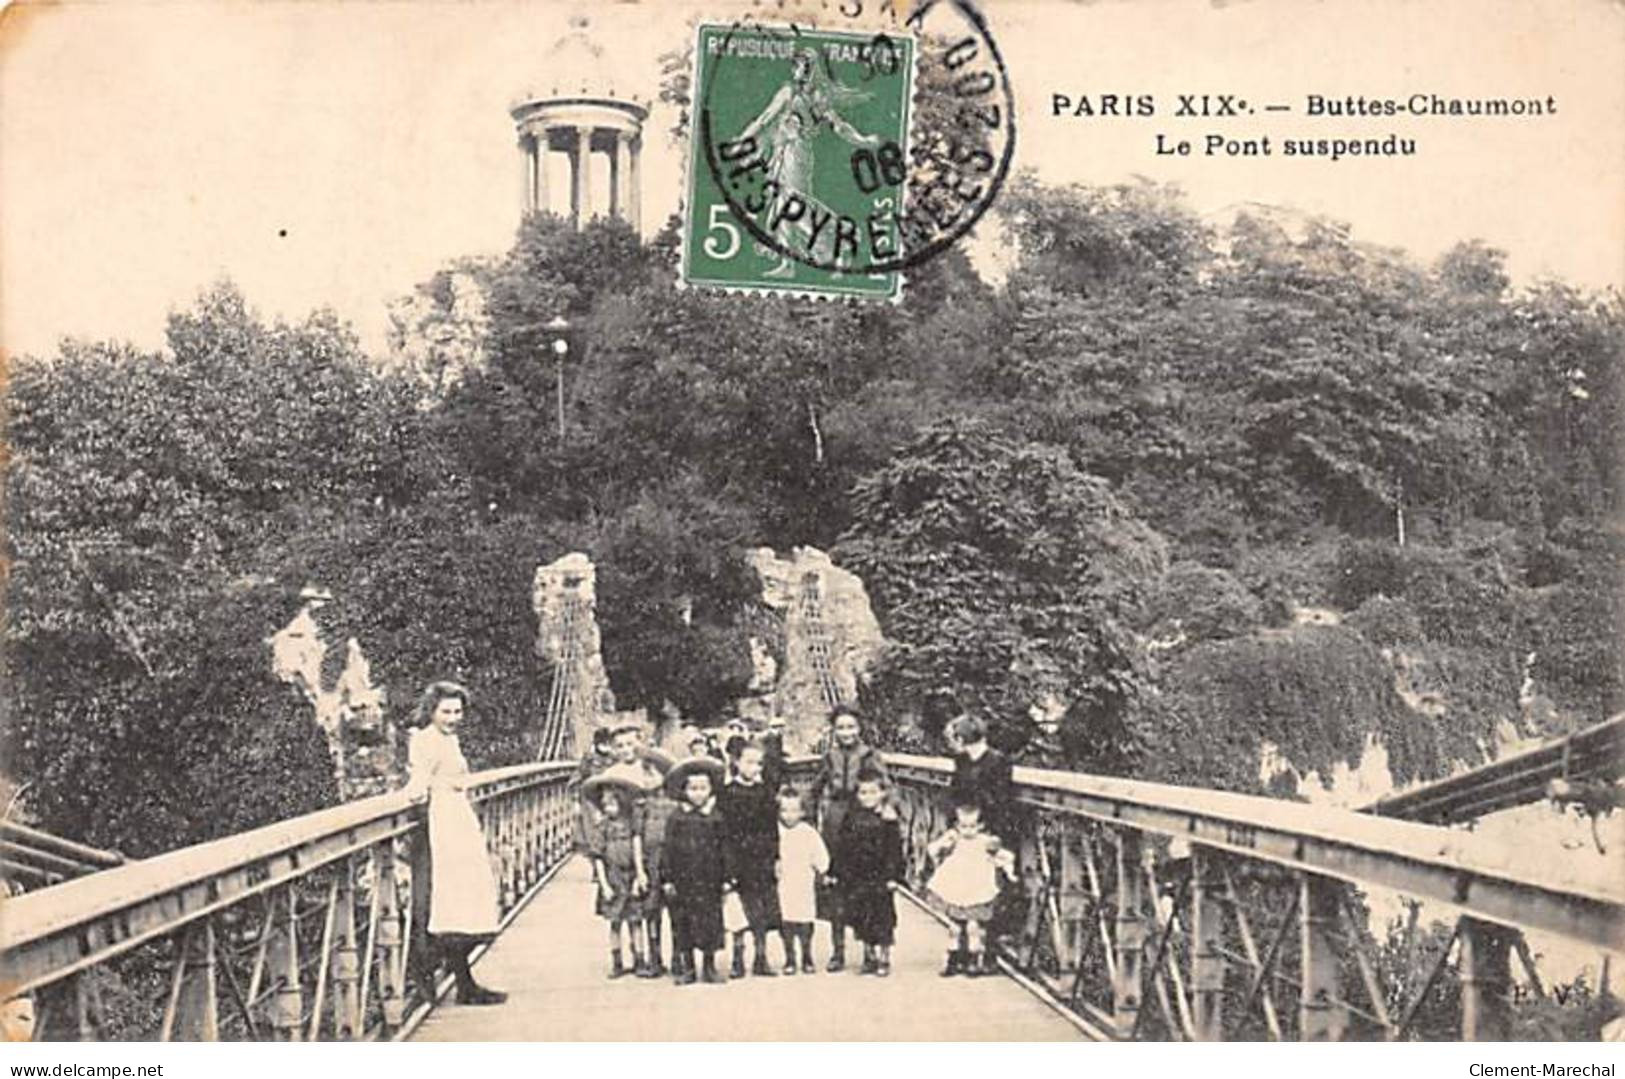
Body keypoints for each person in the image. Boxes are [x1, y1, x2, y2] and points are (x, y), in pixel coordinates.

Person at [403, 681, 506, 1005]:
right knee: (450, 900)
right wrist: (417, 793)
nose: (453, 717)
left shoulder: (448, 738)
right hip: (443, 824)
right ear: (431, 711)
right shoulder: (426, 740)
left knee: (466, 899)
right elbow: (418, 782)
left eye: (458, 711)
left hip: (458, 820)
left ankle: (462, 981)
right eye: (446, 711)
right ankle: (446, 975)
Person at [810, 704, 890, 971]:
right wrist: (808, 818)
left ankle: (868, 951)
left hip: (860, 821)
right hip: (834, 822)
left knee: (862, 887)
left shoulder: (869, 755)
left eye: (851, 726)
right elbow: (815, 787)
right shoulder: (830, 756)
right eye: (841, 727)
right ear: (834, 730)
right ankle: (838, 951)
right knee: (835, 887)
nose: (846, 732)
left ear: (859, 728)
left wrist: (884, 811)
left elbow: (885, 785)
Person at [923, 801, 1017, 977]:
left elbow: (1005, 856)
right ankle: (953, 959)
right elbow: (932, 850)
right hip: (957, 886)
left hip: (976, 887)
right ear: (957, 825)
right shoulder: (955, 840)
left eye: (972, 826)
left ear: (980, 826)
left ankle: (974, 960)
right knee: (954, 927)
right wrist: (945, 842)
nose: (967, 831)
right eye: (963, 826)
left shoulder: (985, 842)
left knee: (973, 927)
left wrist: (1009, 872)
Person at [662, 756, 733, 986]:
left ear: (711, 790)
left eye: (703, 788)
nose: (698, 793)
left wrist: (727, 877)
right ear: (684, 790)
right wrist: (667, 878)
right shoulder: (677, 818)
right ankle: (688, 967)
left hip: (709, 880)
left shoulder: (716, 817)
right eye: (693, 788)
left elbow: (725, 849)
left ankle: (709, 966)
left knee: (710, 923)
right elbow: (668, 849)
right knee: (684, 924)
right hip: (684, 881)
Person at [828, 771, 903, 976]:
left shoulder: (888, 819)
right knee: (862, 915)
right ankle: (868, 956)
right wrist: (835, 870)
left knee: (883, 915)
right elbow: (841, 846)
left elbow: (895, 850)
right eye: (863, 793)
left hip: (880, 876)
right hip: (857, 875)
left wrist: (894, 876)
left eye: (872, 792)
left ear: (882, 793)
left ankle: (884, 957)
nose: (867, 797)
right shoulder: (851, 818)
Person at [718, 741, 781, 978]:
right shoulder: (727, 793)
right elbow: (723, 832)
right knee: (737, 910)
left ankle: (761, 957)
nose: (755, 768)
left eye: (759, 763)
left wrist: (775, 857)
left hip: (761, 859)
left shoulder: (764, 792)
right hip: (737, 858)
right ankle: (737, 958)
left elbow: (772, 828)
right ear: (736, 762)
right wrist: (726, 864)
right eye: (750, 762)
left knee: (761, 908)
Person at [581, 775, 648, 979]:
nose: (608, 808)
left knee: (636, 921)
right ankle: (617, 962)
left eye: (612, 803)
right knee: (615, 922)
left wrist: (639, 875)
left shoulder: (631, 825)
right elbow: (598, 857)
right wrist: (604, 885)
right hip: (612, 878)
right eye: (605, 805)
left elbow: (638, 850)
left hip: (630, 876)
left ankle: (639, 960)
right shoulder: (602, 827)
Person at [774, 786, 829, 975]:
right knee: (786, 920)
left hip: (804, 882)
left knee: (805, 919)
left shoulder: (808, 832)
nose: (789, 815)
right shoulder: (775, 831)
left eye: (794, 810)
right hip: (784, 883)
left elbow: (821, 856)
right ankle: (790, 957)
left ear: (802, 811)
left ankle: (807, 955)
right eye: (784, 810)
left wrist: (822, 869)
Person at [948, 715, 1016, 842]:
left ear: (962, 739)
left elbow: (1002, 800)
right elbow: (955, 793)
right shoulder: (961, 760)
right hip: (963, 826)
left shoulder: (998, 761)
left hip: (988, 827)